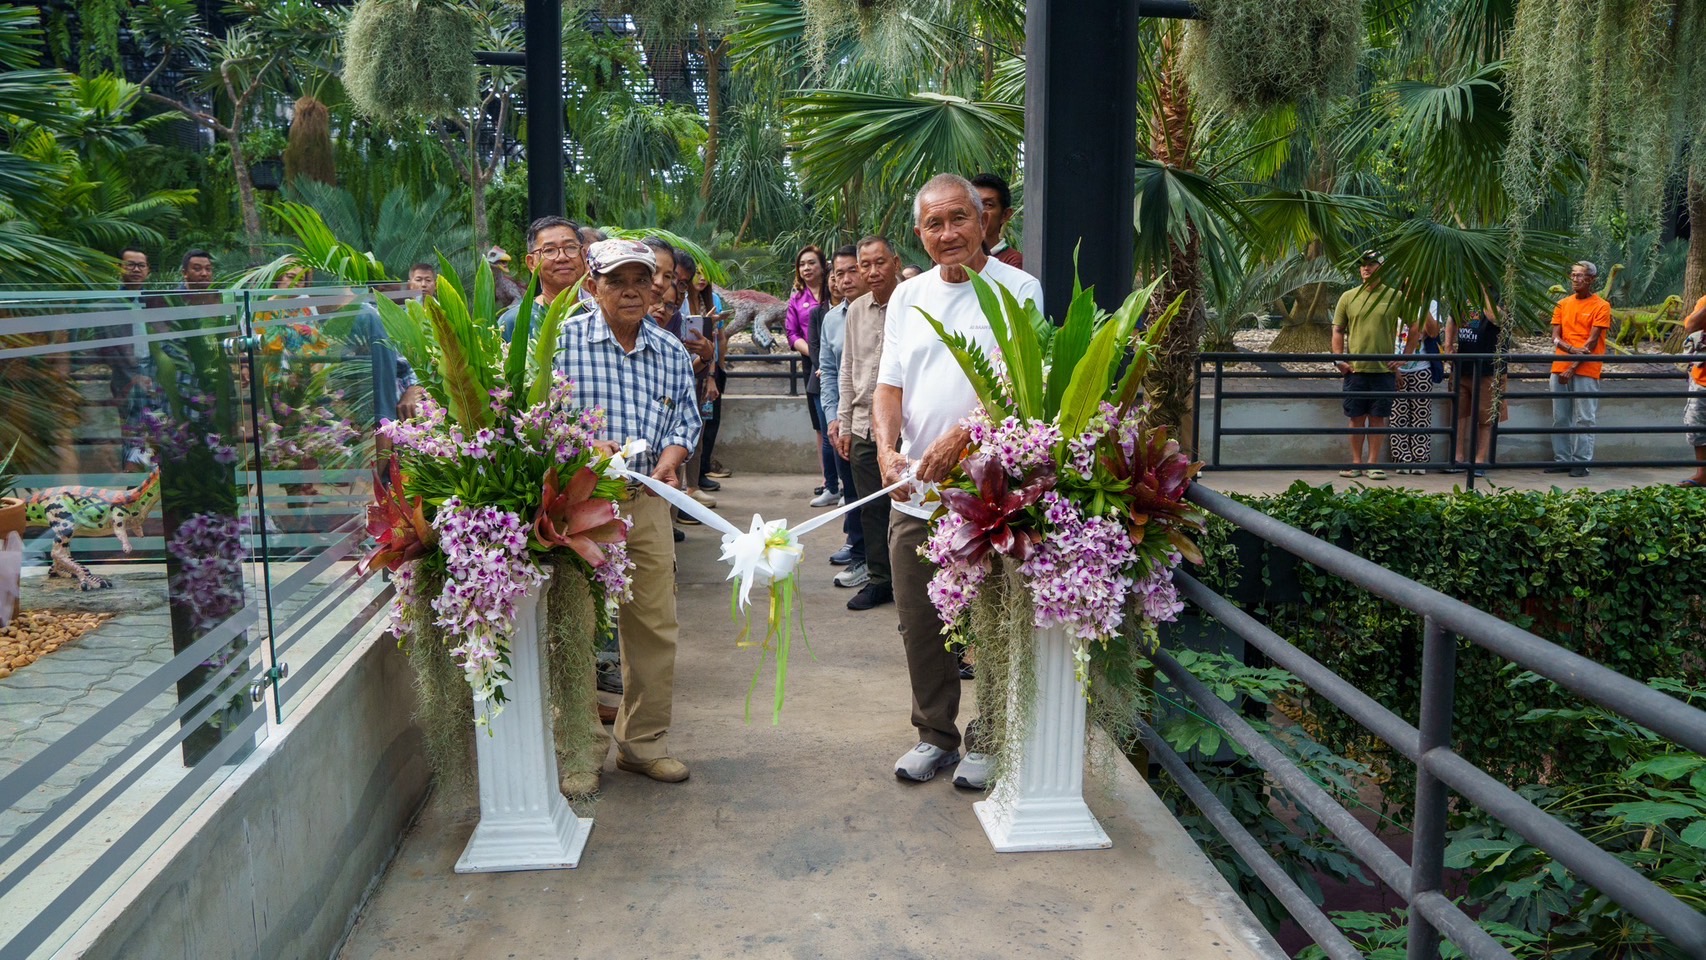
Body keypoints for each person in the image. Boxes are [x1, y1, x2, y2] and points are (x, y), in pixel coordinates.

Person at [874, 173, 1042, 790]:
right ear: (919, 234)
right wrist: (888, 451)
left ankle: (990, 736)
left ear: (983, 222)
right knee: (920, 620)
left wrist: (959, 438)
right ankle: (933, 735)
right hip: (914, 491)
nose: (948, 234)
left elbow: (1018, 388)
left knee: (991, 613)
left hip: (989, 491)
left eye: (959, 220)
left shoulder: (1019, 289)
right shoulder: (906, 296)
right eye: (934, 224)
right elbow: (888, 386)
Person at [555, 238, 702, 791]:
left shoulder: (668, 351)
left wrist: (671, 459)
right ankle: (577, 751)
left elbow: (685, 421)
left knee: (654, 626)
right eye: (618, 281)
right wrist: (580, 449)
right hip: (578, 508)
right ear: (592, 287)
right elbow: (531, 417)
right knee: (578, 627)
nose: (634, 291)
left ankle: (643, 745)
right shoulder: (561, 344)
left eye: (642, 280)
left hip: (647, 503)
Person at [838, 236, 902, 612]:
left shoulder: (914, 301)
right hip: (863, 425)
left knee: (909, 511)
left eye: (880, 263)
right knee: (871, 507)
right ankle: (880, 581)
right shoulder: (856, 310)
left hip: (905, 427)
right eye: (866, 265)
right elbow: (847, 369)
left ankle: (916, 590)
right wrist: (845, 424)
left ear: (895, 261)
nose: (872, 271)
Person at [819, 245, 868, 586]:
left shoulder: (887, 311)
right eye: (839, 273)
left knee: (874, 496)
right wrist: (833, 418)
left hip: (873, 419)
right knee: (850, 488)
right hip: (841, 418)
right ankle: (858, 549)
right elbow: (829, 370)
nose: (846, 279)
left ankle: (873, 561)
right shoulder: (832, 318)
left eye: (854, 270)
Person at [1331, 250, 1402, 481]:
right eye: (1362, 264)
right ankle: (1356, 463)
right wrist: (1339, 359)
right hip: (1356, 369)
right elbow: (1338, 330)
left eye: (1371, 264)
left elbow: (1414, 327)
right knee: (1356, 417)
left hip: (1383, 370)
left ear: (1381, 267)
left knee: (1378, 418)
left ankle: (1373, 463)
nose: (1366, 268)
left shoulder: (1394, 297)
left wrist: (1404, 356)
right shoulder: (1348, 296)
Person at [1547, 261, 1612, 478]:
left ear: (1592, 279)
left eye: (1581, 275)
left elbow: (1592, 342)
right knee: (1560, 416)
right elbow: (1555, 336)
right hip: (1560, 366)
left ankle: (1581, 461)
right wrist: (1569, 349)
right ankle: (1562, 459)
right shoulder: (1562, 304)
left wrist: (1573, 366)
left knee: (1584, 417)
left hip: (1585, 368)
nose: (1575, 279)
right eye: (1573, 275)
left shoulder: (1601, 306)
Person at [787, 245, 837, 503]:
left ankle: (840, 479)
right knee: (821, 426)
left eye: (811, 263)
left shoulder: (834, 290)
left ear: (823, 266)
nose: (806, 268)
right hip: (811, 364)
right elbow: (792, 333)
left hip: (838, 363)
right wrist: (815, 356)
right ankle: (828, 479)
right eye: (802, 264)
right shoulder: (797, 298)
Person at [1444, 288, 1506, 477]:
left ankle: (1480, 460)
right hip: (1463, 364)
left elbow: (1497, 319)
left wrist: (1484, 291)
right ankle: (1457, 457)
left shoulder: (1501, 293)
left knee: (1485, 415)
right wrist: (1448, 344)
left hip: (1489, 367)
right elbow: (1452, 318)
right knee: (1458, 412)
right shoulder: (1462, 290)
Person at [497, 217, 586, 341]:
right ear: (532, 263)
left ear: (584, 255)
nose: (562, 257)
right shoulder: (514, 322)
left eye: (571, 247)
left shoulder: (603, 317)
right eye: (549, 250)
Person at [684, 263, 731, 487]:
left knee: (707, 424)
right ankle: (692, 482)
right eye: (697, 273)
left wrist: (718, 370)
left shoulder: (712, 301)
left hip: (709, 371)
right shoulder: (682, 302)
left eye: (706, 274)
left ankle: (700, 474)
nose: (702, 278)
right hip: (694, 372)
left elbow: (719, 337)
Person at [1390, 301, 1443, 474]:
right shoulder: (1394, 297)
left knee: (1421, 413)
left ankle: (1420, 459)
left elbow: (1433, 332)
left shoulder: (1432, 302)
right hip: (1396, 365)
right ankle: (1402, 459)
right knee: (1398, 414)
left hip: (1422, 367)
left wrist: (1423, 300)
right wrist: (1394, 367)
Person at [1678, 294, 1706, 487]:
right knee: (1697, 426)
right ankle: (1702, 474)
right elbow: (1690, 326)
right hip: (1702, 379)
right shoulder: (1704, 301)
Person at [971, 172, 1022, 269]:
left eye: (988, 205)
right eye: (974, 204)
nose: (980, 211)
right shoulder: (957, 258)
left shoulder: (1013, 262)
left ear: (1005, 215)